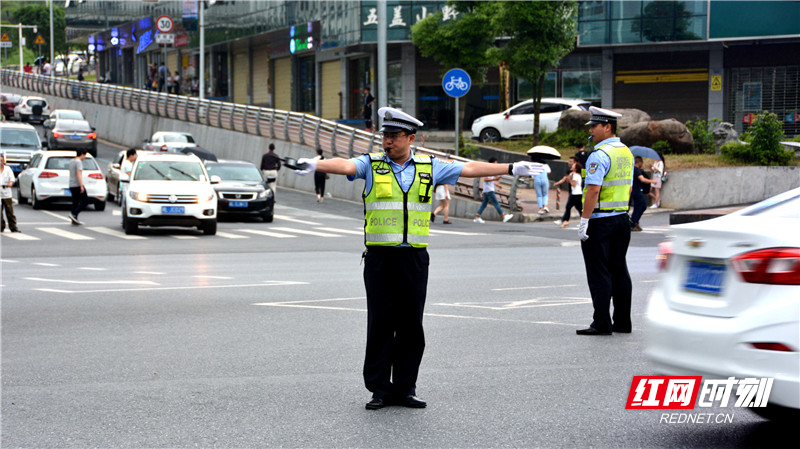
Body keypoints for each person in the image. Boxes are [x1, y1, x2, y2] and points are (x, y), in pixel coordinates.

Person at [291, 107, 544, 409]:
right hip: (380, 259)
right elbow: (345, 165)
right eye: (385, 136)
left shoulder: (429, 166)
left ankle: (405, 388)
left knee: (411, 325)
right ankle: (380, 390)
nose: (387, 141)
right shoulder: (371, 164)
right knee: (381, 324)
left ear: (410, 138)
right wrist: (316, 164)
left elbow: (467, 169)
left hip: (414, 258)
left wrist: (511, 168)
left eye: (395, 136)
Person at [577, 106, 634, 336]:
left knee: (599, 272)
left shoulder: (599, 155)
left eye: (594, 125)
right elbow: (628, 186)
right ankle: (622, 322)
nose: (590, 130)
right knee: (619, 270)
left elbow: (593, 191)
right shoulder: (626, 152)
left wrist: (584, 220)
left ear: (607, 127)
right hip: (621, 218)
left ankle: (601, 323)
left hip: (600, 221)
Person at [473, 157, 514, 223]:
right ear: (492, 163)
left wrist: (497, 184)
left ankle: (477, 217)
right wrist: (495, 179)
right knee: (496, 203)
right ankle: (503, 217)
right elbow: (485, 179)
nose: (496, 163)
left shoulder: (490, 170)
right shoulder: (488, 170)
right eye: (495, 162)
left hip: (487, 190)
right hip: (489, 190)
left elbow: (489, 179)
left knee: (484, 204)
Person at [553, 156, 583, 228]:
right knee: (578, 208)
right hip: (576, 194)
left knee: (569, 207)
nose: (570, 165)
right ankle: (584, 222)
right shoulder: (573, 174)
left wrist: (569, 180)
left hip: (576, 194)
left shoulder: (575, 175)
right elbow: (565, 179)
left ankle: (565, 221)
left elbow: (574, 184)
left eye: (573, 165)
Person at [630, 156, 656, 232]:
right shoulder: (636, 169)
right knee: (641, 206)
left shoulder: (632, 169)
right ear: (639, 162)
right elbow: (642, 179)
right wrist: (652, 181)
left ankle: (635, 222)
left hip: (634, 191)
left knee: (640, 207)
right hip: (637, 191)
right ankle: (633, 223)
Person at [1, 153, 21, 233]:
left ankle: (13, 227)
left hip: (6, 193)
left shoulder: (7, 169)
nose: (0, 162)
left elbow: (12, 179)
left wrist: (10, 183)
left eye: (1, 160)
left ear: (4, 161)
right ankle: (1, 226)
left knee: (9, 211)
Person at [68, 149, 90, 225]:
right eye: (84, 155)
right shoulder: (78, 162)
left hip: (71, 184)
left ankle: (74, 218)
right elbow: (78, 173)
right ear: (82, 154)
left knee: (75, 201)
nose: (84, 157)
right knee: (85, 201)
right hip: (77, 185)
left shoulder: (72, 161)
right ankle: (74, 213)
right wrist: (81, 185)